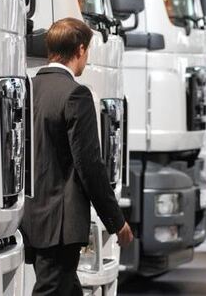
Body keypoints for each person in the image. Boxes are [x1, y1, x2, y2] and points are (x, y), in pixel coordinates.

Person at [21, 18, 133, 295]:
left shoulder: (29, 88)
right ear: (80, 50)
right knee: (52, 288)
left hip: (32, 217)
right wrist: (116, 221)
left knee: (67, 288)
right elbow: (90, 165)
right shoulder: (75, 95)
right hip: (60, 223)